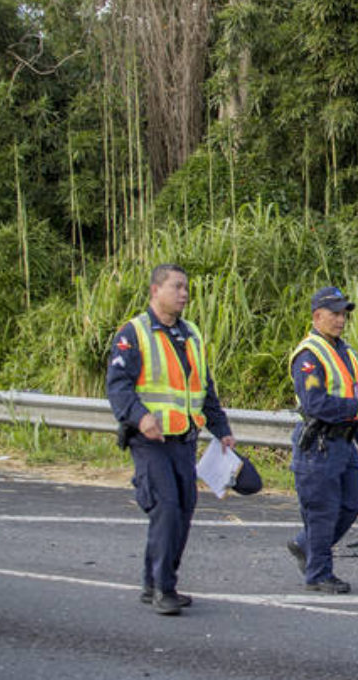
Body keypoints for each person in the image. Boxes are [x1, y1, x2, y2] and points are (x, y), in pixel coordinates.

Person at [106, 263, 236, 616]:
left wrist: (221, 429)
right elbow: (117, 386)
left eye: (186, 288)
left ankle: (154, 583)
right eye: (177, 286)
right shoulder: (133, 333)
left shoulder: (190, 333)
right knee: (166, 510)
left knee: (183, 511)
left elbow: (204, 388)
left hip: (184, 439)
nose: (184, 293)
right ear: (155, 291)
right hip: (150, 441)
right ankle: (164, 587)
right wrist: (140, 416)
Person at [285, 286, 358, 593]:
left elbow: (350, 396)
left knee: (353, 502)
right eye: (335, 314)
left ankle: (304, 544)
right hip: (319, 444)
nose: (341, 320)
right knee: (322, 511)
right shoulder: (309, 356)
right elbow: (315, 404)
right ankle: (319, 573)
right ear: (317, 316)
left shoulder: (345, 352)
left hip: (345, 440)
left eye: (343, 314)